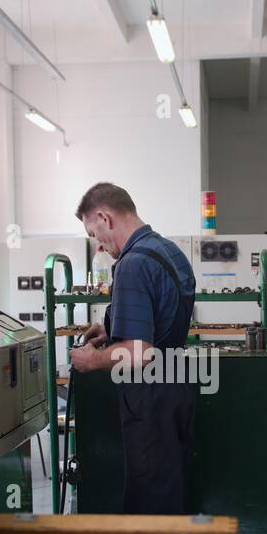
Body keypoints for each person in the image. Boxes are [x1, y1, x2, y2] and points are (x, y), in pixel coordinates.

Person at [68, 183, 197, 515]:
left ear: (104, 217)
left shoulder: (133, 263)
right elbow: (162, 315)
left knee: (149, 493)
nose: (98, 244)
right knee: (168, 484)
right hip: (177, 386)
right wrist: (112, 328)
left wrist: (92, 359)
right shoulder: (169, 251)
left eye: (93, 233)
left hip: (149, 394)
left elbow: (140, 352)